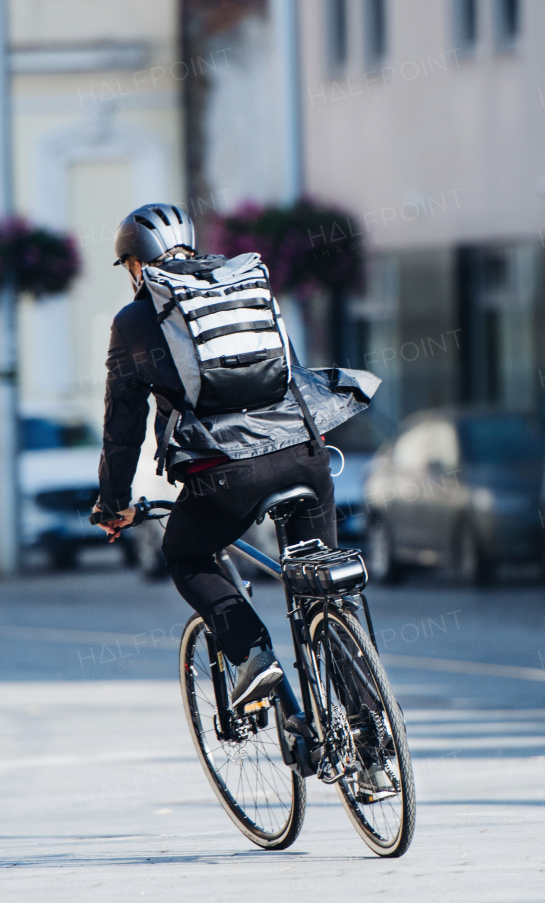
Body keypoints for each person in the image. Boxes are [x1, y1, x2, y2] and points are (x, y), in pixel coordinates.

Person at [93, 203, 377, 712]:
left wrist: (114, 503)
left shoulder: (135, 320)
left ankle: (251, 654)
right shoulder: (242, 285)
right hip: (304, 452)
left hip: (225, 474)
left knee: (186, 554)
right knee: (326, 591)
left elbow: (123, 428)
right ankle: (371, 742)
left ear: (136, 265)